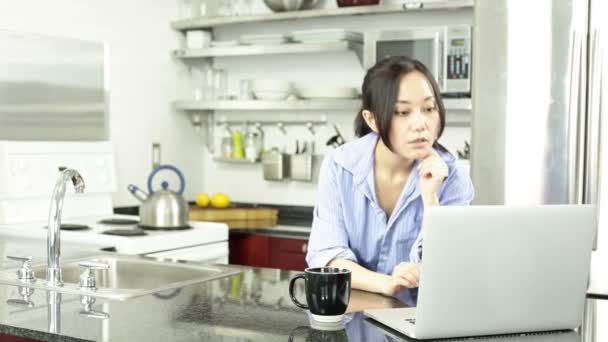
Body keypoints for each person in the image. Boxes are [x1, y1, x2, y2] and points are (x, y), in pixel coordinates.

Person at [306, 56, 474, 298]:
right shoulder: (340, 165)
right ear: (372, 119)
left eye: (429, 108)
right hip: (352, 318)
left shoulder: (452, 175)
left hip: (417, 321)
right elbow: (327, 255)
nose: (421, 124)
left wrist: (431, 201)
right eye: (402, 112)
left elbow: (453, 268)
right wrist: (386, 283)